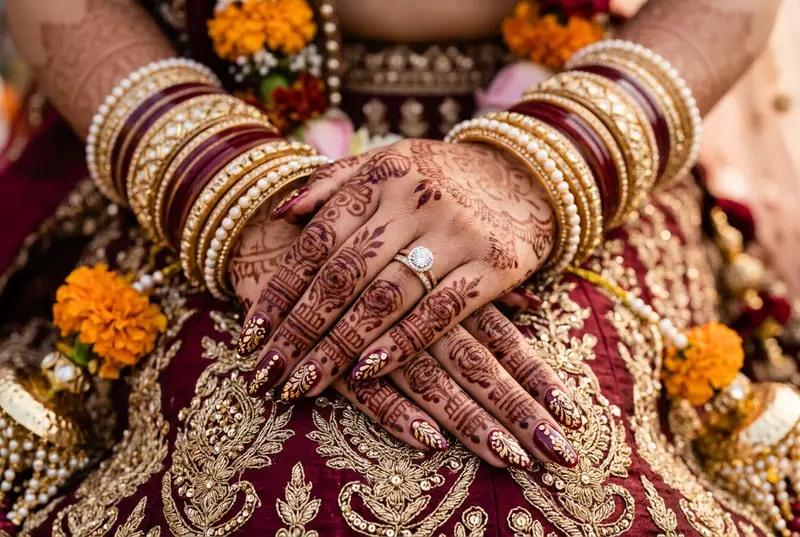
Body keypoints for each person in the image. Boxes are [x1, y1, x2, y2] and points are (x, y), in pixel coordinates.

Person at [0, 0, 789, 535]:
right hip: (186, 109)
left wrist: (547, 165)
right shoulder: (208, 168)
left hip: (589, 110)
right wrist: (219, 184)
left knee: (582, 468)